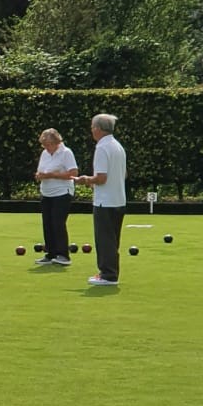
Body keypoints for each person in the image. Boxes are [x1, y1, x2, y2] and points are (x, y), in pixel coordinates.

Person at [76, 113, 127, 284]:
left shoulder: (102, 148)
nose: (91, 130)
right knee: (112, 240)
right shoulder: (117, 146)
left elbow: (101, 178)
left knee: (105, 239)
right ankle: (110, 272)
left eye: (92, 127)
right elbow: (122, 174)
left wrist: (86, 180)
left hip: (105, 201)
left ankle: (108, 275)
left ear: (98, 129)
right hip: (118, 199)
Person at [34, 129, 77, 266]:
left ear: (56, 142)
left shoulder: (66, 153)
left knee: (58, 223)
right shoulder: (45, 153)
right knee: (47, 223)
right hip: (46, 193)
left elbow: (73, 173)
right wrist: (39, 175)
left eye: (48, 144)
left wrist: (52, 175)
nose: (46, 147)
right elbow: (41, 171)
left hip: (62, 192)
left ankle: (63, 255)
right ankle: (50, 254)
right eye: (44, 145)